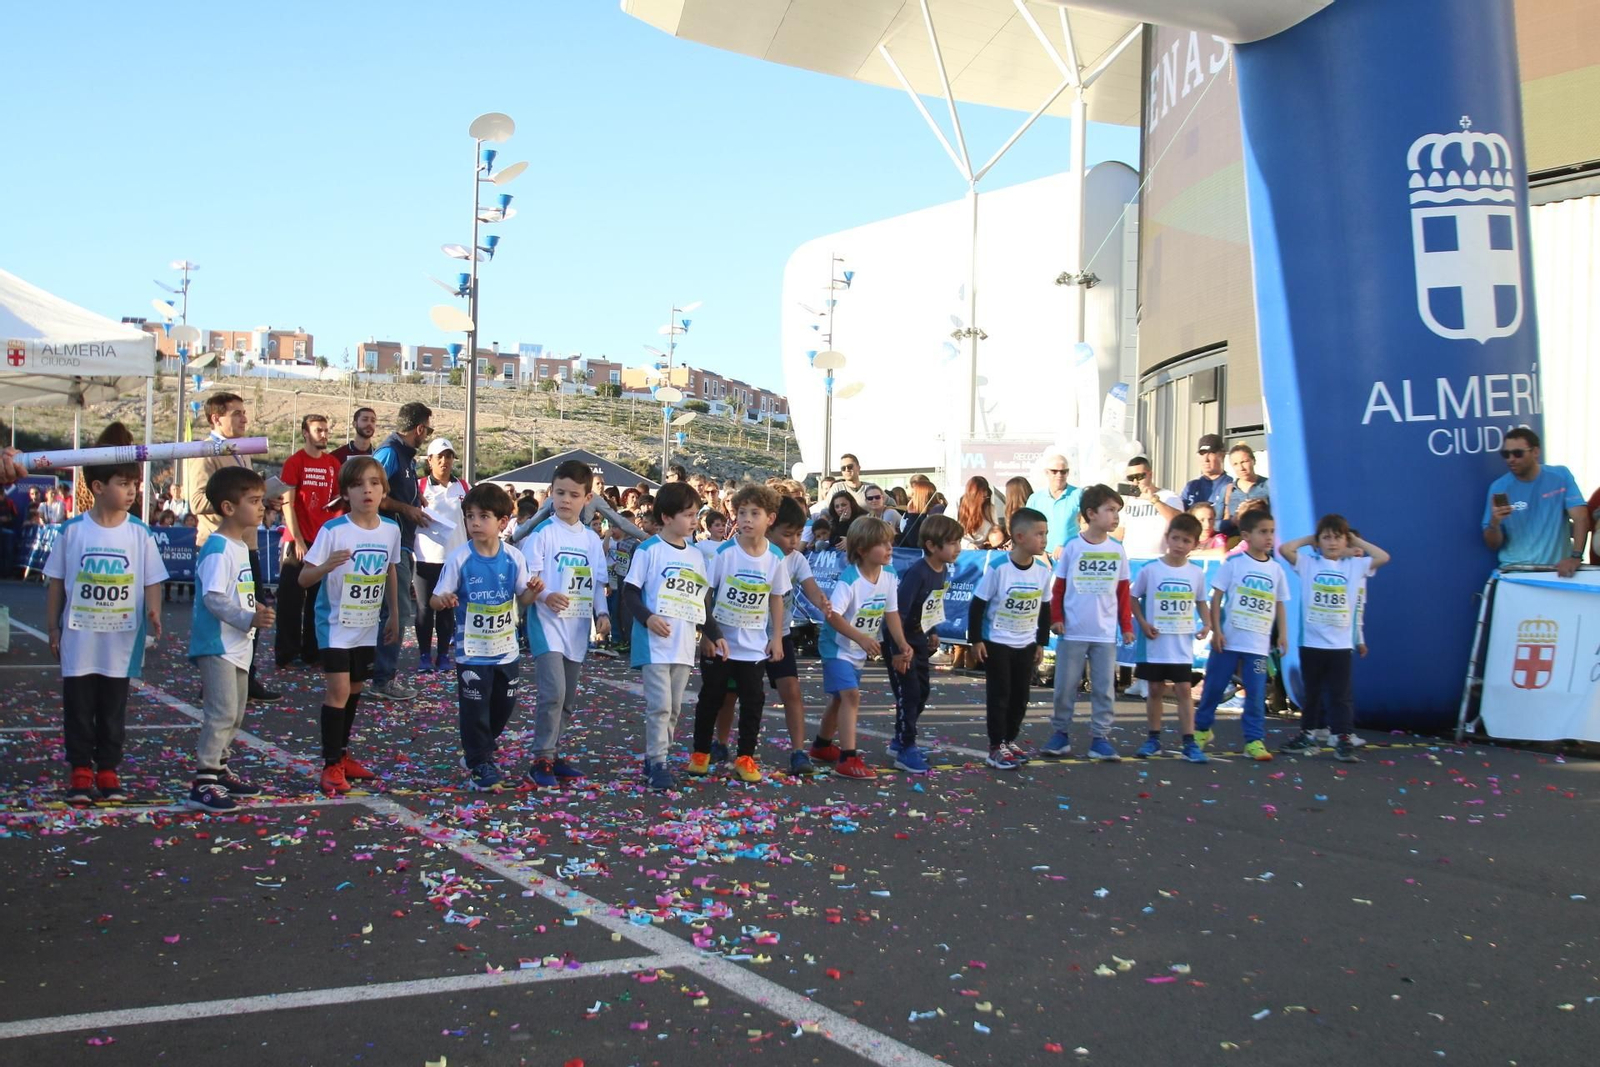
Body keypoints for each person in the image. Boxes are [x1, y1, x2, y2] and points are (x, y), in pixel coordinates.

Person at [43, 423, 168, 804]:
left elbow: (152, 580)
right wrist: (53, 628)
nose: (132, 491)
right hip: (79, 639)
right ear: (98, 487)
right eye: (123, 483)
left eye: (135, 484)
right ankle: (81, 770)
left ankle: (108, 769)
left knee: (113, 710)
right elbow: (56, 583)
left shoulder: (140, 533)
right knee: (79, 708)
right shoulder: (72, 531)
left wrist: (154, 611)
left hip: (121, 641)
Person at [429, 483, 544, 791]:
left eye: (483, 516)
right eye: (470, 516)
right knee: (475, 709)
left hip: (506, 649)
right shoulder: (459, 558)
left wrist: (533, 592)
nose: (475, 523)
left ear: (503, 522)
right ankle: (480, 762)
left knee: (503, 707)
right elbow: (434, 599)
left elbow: (522, 598)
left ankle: (479, 750)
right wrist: (444, 600)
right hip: (472, 653)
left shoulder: (514, 558)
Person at [300, 456, 401, 795]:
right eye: (357, 485)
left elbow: (390, 569)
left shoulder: (391, 529)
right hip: (334, 625)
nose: (367, 491)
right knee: (339, 691)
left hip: (366, 624)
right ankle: (330, 765)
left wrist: (394, 613)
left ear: (384, 490)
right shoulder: (334, 531)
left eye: (374, 483)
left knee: (355, 688)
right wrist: (326, 565)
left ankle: (342, 755)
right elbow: (303, 578)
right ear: (345, 493)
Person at [519, 459, 612, 787]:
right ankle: (541, 757)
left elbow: (597, 583)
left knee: (568, 698)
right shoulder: (542, 534)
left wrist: (603, 614)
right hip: (547, 626)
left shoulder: (591, 540)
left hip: (577, 630)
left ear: (587, 498)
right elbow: (530, 580)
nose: (566, 500)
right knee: (553, 692)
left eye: (574, 495)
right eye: (560, 493)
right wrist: (546, 596)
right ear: (551, 493)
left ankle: (553, 752)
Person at [687, 482, 789, 783]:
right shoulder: (725, 552)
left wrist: (776, 637)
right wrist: (707, 634)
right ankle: (701, 752)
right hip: (721, 642)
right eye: (742, 513)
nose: (746, 519)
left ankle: (745, 756)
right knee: (711, 697)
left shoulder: (775, 557)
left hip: (754, 645)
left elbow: (776, 598)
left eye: (755, 513)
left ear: (770, 519)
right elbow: (706, 593)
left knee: (753, 701)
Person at [186, 466, 275, 811]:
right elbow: (214, 598)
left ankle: (219, 769)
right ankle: (204, 780)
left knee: (236, 712)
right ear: (228, 507)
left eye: (261, 500)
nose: (261, 507)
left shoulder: (238, 546)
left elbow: (238, 592)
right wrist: (247, 617)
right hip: (218, 645)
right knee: (221, 712)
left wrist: (255, 611)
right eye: (253, 501)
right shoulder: (218, 547)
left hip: (238, 643)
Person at [182, 391, 279, 703]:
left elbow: (244, 496)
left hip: (246, 544)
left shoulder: (242, 450)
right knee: (222, 608)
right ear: (216, 418)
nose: (244, 418)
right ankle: (216, 679)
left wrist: (261, 501)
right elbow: (196, 501)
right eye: (236, 413)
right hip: (220, 543)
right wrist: (236, 505)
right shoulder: (204, 453)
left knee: (254, 609)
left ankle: (244, 676)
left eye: (244, 412)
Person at [1277, 516, 1390, 761]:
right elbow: (1285, 549)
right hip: (1311, 642)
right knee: (1313, 692)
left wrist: (1356, 541)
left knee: (1340, 695)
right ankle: (1308, 734)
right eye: (1326, 538)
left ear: (1346, 540)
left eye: (1337, 537)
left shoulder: (1354, 566)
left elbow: (1383, 557)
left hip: (1340, 644)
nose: (1332, 542)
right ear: (1319, 542)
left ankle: (1342, 738)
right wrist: (1312, 539)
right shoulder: (1309, 563)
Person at [621, 481, 706, 790]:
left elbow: (701, 600)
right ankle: (658, 762)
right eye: (687, 515)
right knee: (660, 705)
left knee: (674, 707)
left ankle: (658, 757)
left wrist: (712, 633)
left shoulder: (696, 556)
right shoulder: (649, 550)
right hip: (654, 644)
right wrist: (648, 618)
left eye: (696, 514)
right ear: (667, 517)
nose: (694, 521)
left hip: (683, 644)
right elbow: (630, 593)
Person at [1042, 485, 1134, 762]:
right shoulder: (1073, 546)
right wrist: (1057, 618)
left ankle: (1100, 738)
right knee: (1065, 686)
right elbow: (1058, 588)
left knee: (1104, 688)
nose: (1115, 516)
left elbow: (1123, 592)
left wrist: (1126, 626)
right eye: (1110, 510)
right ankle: (1060, 734)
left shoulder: (1117, 550)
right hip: (1073, 631)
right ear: (1091, 514)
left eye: (1117, 511)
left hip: (1104, 634)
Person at [813, 516, 909, 781]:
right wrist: (861, 638)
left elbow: (891, 612)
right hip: (837, 646)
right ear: (863, 550)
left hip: (856, 648)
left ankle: (821, 745)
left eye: (890, 542)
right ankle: (848, 757)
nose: (889, 548)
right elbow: (833, 616)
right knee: (851, 695)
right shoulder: (850, 579)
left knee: (839, 698)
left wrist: (902, 643)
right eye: (882, 544)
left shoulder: (889, 574)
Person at [1193, 508, 1289, 761]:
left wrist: (1283, 635)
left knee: (1256, 694)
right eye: (1263, 532)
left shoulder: (1276, 570)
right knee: (1214, 687)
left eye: (1272, 532)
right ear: (1246, 535)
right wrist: (1217, 630)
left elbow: (1280, 603)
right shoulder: (1234, 563)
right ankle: (1202, 729)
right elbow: (1217, 598)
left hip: (1258, 645)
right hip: (1229, 640)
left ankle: (1254, 740)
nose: (1269, 537)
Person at [968, 508, 1053, 770]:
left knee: (1021, 695)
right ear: (1019, 537)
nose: (1044, 539)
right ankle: (996, 746)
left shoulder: (1042, 571)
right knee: (1000, 694)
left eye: (1046, 534)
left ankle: (1009, 739)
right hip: (997, 642)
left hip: (1025, 642)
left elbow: (1045, 608)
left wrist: (1040, 642)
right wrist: (976, 640)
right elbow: (978, 605)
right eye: (1039, 534)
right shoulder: (999, 568)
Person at [758, 497, 835, 776]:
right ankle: (719, 744)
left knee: (792, 691)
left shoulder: (797, 559)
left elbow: (812, 589)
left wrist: (825, 605)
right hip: (749, 636)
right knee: (734, 694)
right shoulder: (755, 555)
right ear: (768, 529)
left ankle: (798, 751)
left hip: (780, 635)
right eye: (787, 534)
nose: (793, 541)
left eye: (798, 534)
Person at [884, 513, 963, 774]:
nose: (958, 548)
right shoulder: (918, 572)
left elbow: (931, 605)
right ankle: (906, 747)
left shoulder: (942, 570)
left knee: (921, 693)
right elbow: (898, 612)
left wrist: (933, 631)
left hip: (918, 641)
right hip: (901, 643)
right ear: (931, 545)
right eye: (952, 543)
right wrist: (898, 649)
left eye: (959, 542)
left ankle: (900, 739)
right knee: (909, 694)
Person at [1127, 513, 1210, 763]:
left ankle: (1189, 741)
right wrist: (1143, 623)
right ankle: (1153, 738)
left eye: (1186, 541)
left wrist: (1207, 624)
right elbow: (1133, 597)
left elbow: (1201, 601)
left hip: (1181, 644)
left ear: (1194, 544)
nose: (1179, 545)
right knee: (1155, 688)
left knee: (1184, 689)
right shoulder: (1150, 570)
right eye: (1176, 538)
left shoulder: (1196, 573)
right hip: (1155, 643)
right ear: (1167, 538)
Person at [369, 402, 435, 702]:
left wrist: (416, 499)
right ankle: (383, 678)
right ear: (419, 428)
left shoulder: (405, 457)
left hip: (400, 543)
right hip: (388, 545)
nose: (427, 435)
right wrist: (406, 508)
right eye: (428, 430)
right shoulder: (390, 453)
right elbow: (370, 493)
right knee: (395, 610)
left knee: (392, 610)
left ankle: (378, 673)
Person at [277, 413, 342, 669]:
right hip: (298, 540)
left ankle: (312, 652)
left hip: (322, 540)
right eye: (318, 430)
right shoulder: (295, 462)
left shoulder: (333, 464)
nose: (324, 435)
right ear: (305, 433)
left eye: (326, 430)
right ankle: (287, 654)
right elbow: (287, 503)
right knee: (291, 600)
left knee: (318, 600)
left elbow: (337, 501)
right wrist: (298, 539)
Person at [1482, 427, 1589, 578]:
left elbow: (1581, 517)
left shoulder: (1560, 476)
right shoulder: (1499, 487)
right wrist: (1494, 523)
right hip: (1517, 573)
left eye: (1517, 453)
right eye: (1506, 454)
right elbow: (1493, 544)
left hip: (1557, 571)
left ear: (1536, 452)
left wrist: (1576, 557)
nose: (1511, 459)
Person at [414, 437, 470, 672]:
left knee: (447, 609)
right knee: (425, 609)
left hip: (454, 558)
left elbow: (470, 519)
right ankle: (424, 655)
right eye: (440, 457)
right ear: (430, 460)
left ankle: (444, 655)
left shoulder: (463, 487)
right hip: (425, 556)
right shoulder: (420, 486)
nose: (445, 461)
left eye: (449, 456)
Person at [1116, 456, 1182, 560]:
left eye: (1139, 476)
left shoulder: (1169, 496)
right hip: (1132, 560)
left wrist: (1153, 500)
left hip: (1160, 560)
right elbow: (1118, 533)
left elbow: (1180, 522)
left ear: (1150, 474)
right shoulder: (1127, 500)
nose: (1135, 482)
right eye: (1131, 478)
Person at [1025, 454, 1082, 560]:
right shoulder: (1035, 499)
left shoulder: (1079, 495)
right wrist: (1038, 553)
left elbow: (1090, 527)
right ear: (1046, 472)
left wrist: (1069, 546)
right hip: (1041, 558)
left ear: (1068, 472)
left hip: (1072, 556)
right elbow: (1027, 529)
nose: (1059, 475)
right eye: (1054, 471)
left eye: (1063, 471)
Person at [1217, 444, 1270, 536]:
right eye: (1235, 464)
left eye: (1244, 462)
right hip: (1235, 541)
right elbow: (1214, 524)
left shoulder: (1269, 486)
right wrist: (1232, 521)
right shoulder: (1227, 490)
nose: (1241, 468)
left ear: (1253, 461)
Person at [1180, 434, 1233, 511]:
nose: (1206, 459)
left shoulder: (1230, 485)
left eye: (1211, 453)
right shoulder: (1191, 487)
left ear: (1222, 455)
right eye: (1202, 454)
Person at [957, 476, 996, 550]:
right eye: (981, 497)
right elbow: (948, 533)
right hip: (962, 550)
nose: (983, 501)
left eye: (986, 497)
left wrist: (991, 540)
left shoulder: (989, 508)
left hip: (984, 550)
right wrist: (967, 544)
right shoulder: (956, 506)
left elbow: (995, 529)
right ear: (973, 496)